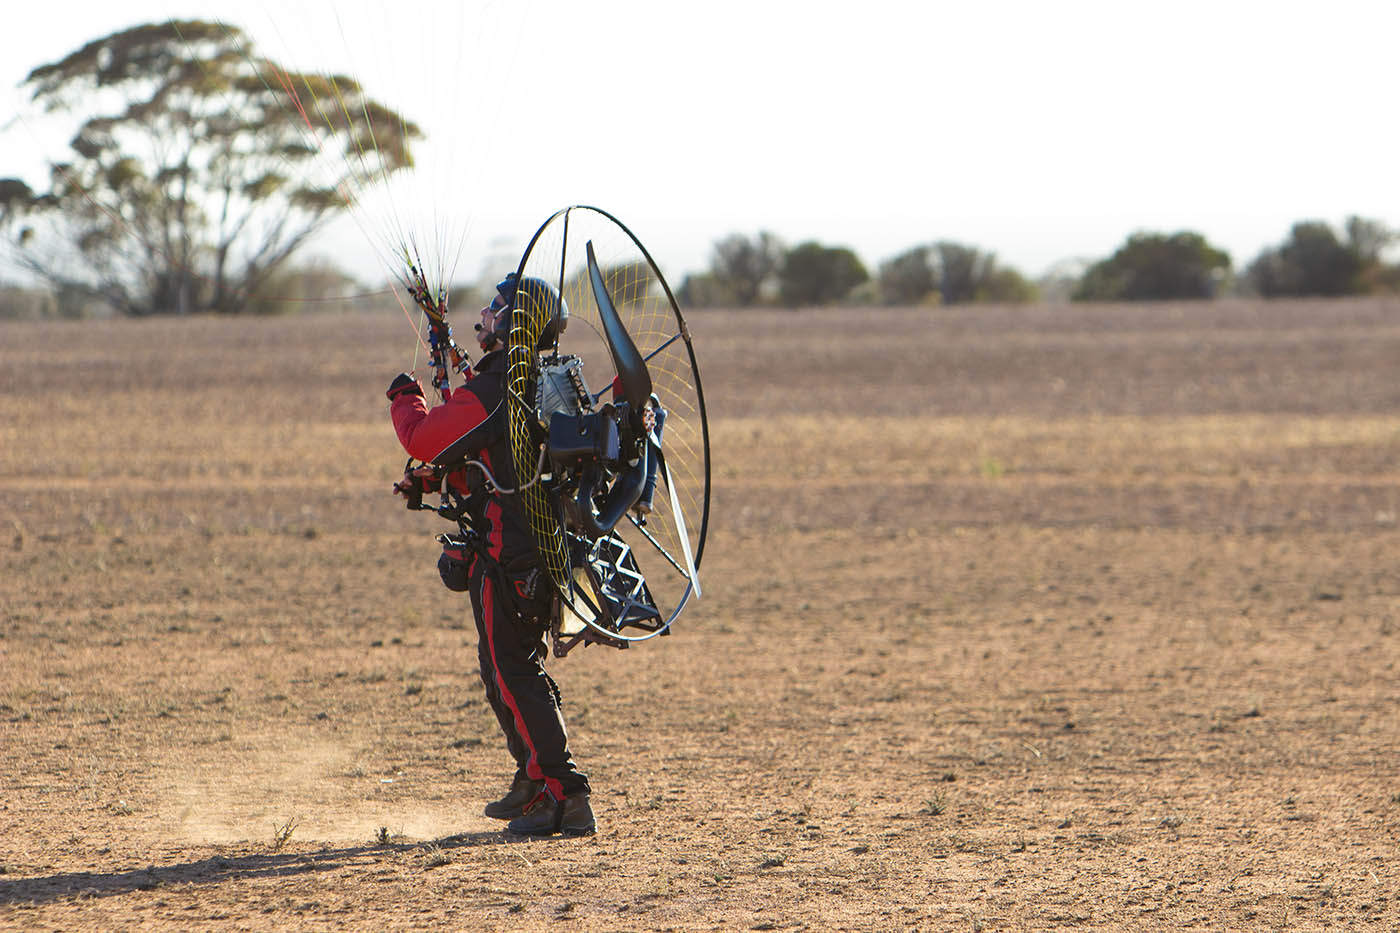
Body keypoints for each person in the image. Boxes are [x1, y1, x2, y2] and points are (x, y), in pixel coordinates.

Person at [385, 273, 595, 837]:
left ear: (511, 322)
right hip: (526, 550)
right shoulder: (535, 381)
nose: (484, 317)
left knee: (514, 672)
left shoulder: (500, 386)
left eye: (494, 310)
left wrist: (406, 398)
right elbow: (484, 457)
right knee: (503, 670)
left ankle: (563, 794)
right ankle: (534, 780)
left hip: (513, 557)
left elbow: (426, 437)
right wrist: (432, 483)